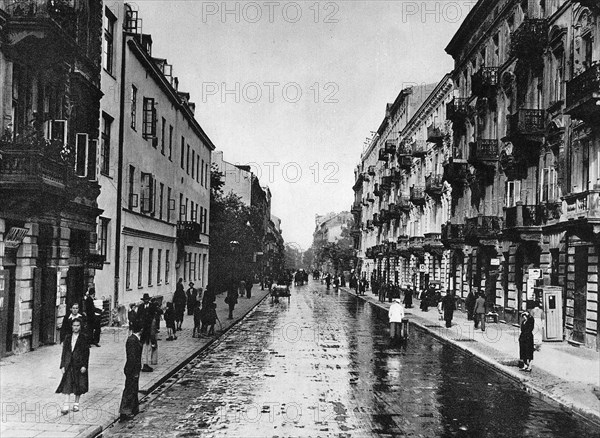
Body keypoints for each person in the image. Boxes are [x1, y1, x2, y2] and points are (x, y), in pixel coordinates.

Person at [56, 318, 89, 415]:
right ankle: (66, 405)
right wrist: (62, 365)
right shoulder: (68, 337)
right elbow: (64, 352)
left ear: (80, 326)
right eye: (74, 325)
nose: (76, 327)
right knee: (67, 383)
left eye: (78, 325)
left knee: (78, 383)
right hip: (69, 363)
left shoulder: (83, 338)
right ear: (71, 326)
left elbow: (86, 353)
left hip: (79, 364)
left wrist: (84, 365)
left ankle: (76, 403)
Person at [119, 323, 143, 421]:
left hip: (133, 368)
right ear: (141, 330)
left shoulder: (134, 339)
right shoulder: (133, 340)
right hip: (132, 369)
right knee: (129, 389)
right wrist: (134, 371)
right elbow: (132, 358)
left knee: (133, 388)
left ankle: (134, 409)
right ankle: (124, 412)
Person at [137, 293, 155, 372]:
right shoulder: (140, 307)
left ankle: (146, 364)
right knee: (143, 348)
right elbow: (137, 318)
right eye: (145, 300)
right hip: (142, 331)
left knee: (148, 348)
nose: (146, 301)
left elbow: (153, 317)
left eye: (147, 300)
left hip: (149, 330)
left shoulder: (152, 307)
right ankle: (143, 364)